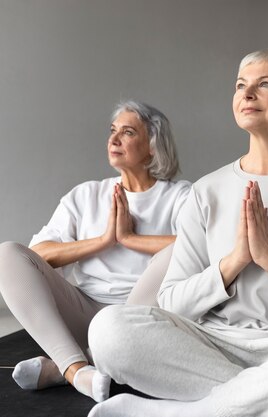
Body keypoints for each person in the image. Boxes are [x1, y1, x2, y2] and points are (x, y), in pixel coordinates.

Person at [85, 48, 268, 417]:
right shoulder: (207, 190)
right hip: (214, 345)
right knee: (108, 329)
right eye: (241, 86)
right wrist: (234, 262)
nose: (247, 94)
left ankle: (190, 412)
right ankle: (261, 401)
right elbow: (174, 302)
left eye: (265, 84)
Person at [0, 100, 191, 402]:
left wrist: (129, 238)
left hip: (142, 322)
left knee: (179, 251)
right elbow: (38, 256)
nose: (114, 139)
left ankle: (64, 367)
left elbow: (200, 250)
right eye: (112, 131)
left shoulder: (181, 196)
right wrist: (104, 240)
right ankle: (76, 370)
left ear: (153, 146)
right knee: (7, 253)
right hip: (85, 313)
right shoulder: (86, 194)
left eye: (127, 132)